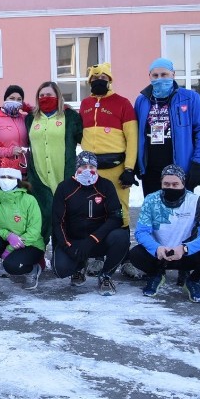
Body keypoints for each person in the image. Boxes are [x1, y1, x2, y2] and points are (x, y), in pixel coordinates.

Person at [78, 63, 142, 279]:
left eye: (104, 77)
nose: (99, 80)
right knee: (94, 212)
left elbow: (132, 139)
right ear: (89, 81)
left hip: (116, 169)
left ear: (110, 79)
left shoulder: (123, 103)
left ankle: (124, 259)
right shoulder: (85, 104)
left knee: (120, 213)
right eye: (95, 77)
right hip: (92, 170)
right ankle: (97, 256)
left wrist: (130, 168)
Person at [129, 164, 200, 302]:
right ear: (161, 183)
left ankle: (192, 281)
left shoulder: (195, 201)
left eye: (175, 184)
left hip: (185, 254)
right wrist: (157, 248)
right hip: (159, 254)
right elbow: (141, 232)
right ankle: (156, 275)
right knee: (135, 254)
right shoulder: (151, 200)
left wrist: (185, 249)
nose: (170, 187)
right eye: (166, 184)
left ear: (183, 183)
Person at [50, 151, 129, 296]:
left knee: (122, 236)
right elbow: (57, 222)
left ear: (97, 168)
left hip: (98, 241)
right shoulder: (64, 187)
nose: (87, 170)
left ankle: (106, 275)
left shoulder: (106, 186)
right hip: (74, 242)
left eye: (91, 166)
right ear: (76, 168)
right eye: (83, 166)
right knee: (60, 269)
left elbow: (116, 218)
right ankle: (79, 267)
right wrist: (68, 246)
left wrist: (92, 239)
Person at [134, 57, 200, 197]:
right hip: (151, 170)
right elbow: (136, 132)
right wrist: (136, 163)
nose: (160, 79)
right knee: (154, 213)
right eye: (155, 75)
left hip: (180, 170)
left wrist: (198, 163)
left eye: (164, 74)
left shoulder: (190, 98)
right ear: (149, 77)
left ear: (173, 75)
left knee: (180, 214)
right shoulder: (142, 100)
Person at [25, 81, 84, 246]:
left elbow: (84, 138)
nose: (44, 98)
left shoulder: (70, 117)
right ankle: (37, 252)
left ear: (58, 96)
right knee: (41, 216)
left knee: (63, 216)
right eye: (41, 95)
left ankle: (63, 252)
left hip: (63, 175)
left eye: (49, 95)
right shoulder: (31, 118)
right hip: (39, 177)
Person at [0, 167, 45, 294]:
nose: (6, 180)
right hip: (6, 241)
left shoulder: (29, 200)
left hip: (30, 244)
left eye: (10, 177)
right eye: (3, 177)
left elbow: (34, 230)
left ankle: (33, 270)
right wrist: (8, 235)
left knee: (11, 267)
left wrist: (11, 248)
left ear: (18, 180)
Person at [0, 85, 31, 183]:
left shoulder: (25, 118)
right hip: (2, 173)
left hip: (23, 173)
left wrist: (30, 109)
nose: (15, 101)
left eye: (19, 99)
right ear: (5, 99)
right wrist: (10, 151)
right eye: (12, 98)